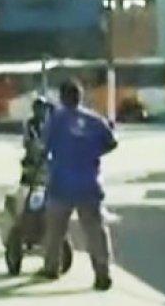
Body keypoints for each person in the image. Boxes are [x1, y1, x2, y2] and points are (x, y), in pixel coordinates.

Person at [38, 78, 118, 290]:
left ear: (63, 97)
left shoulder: (55, 119)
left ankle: (51, 267)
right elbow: (111, 142)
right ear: (80, 96)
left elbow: (43, 145)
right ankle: (102, 272)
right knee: (95, 231)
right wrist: (91, 153)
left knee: (55, 229)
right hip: (89, 184)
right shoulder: (95, 120)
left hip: (61, 183)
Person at [20, 95, 52, 186]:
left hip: (46, 163)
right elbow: (27, 142)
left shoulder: (51, 124)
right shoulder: (30, 124)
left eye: (43, 108)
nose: (41, 111)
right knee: (25, 187)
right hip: (32, 161)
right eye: (39, 108)